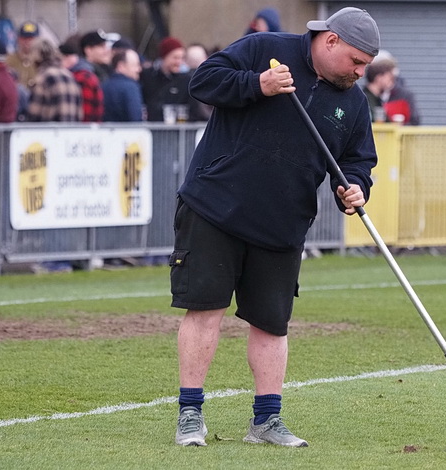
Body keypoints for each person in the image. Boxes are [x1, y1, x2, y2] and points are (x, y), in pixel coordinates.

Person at [171, 6, 379, 447]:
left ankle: (265, 420)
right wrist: (257, 85)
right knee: (205, 309)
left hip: (284, 222)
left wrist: (356, 188)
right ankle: (190, 413)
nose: (360, 72)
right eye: (356, 61)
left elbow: (358, 161)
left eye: (366, 66)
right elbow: (203, 81)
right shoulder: (265, 49)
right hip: (215, 207)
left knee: (272, 324)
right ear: (330, 41)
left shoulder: (354, 103)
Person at [140, 36, 210, 122]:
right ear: (164, 57)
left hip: (180, 132)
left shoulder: (186, 80)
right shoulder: (147, 76)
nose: (179, 62)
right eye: (175, 58)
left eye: (181, 58)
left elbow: (197, 111)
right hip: (151, 131)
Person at [26, 38, 82, 122]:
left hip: (49, 133)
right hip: (71, 131)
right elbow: (80, 112)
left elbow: (34, 115)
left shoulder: (42, 79)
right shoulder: (70, 76)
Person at [59, 40, 104, 122]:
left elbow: (86, 111)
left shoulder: (81, 78)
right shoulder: (86, 74)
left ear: (66, 58)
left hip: (84, 131)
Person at [102, 49, 143, 122]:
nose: (139, 69)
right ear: (121, 66)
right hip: (127, 132)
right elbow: (135, 118)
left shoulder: (103, 85)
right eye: (135, 65)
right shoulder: (131, 87)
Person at [5, 21, 40, 89]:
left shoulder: (41, 60)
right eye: (24, 38)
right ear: (18, 39)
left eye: (31, 38)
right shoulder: (10, 59)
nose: (27, 42)